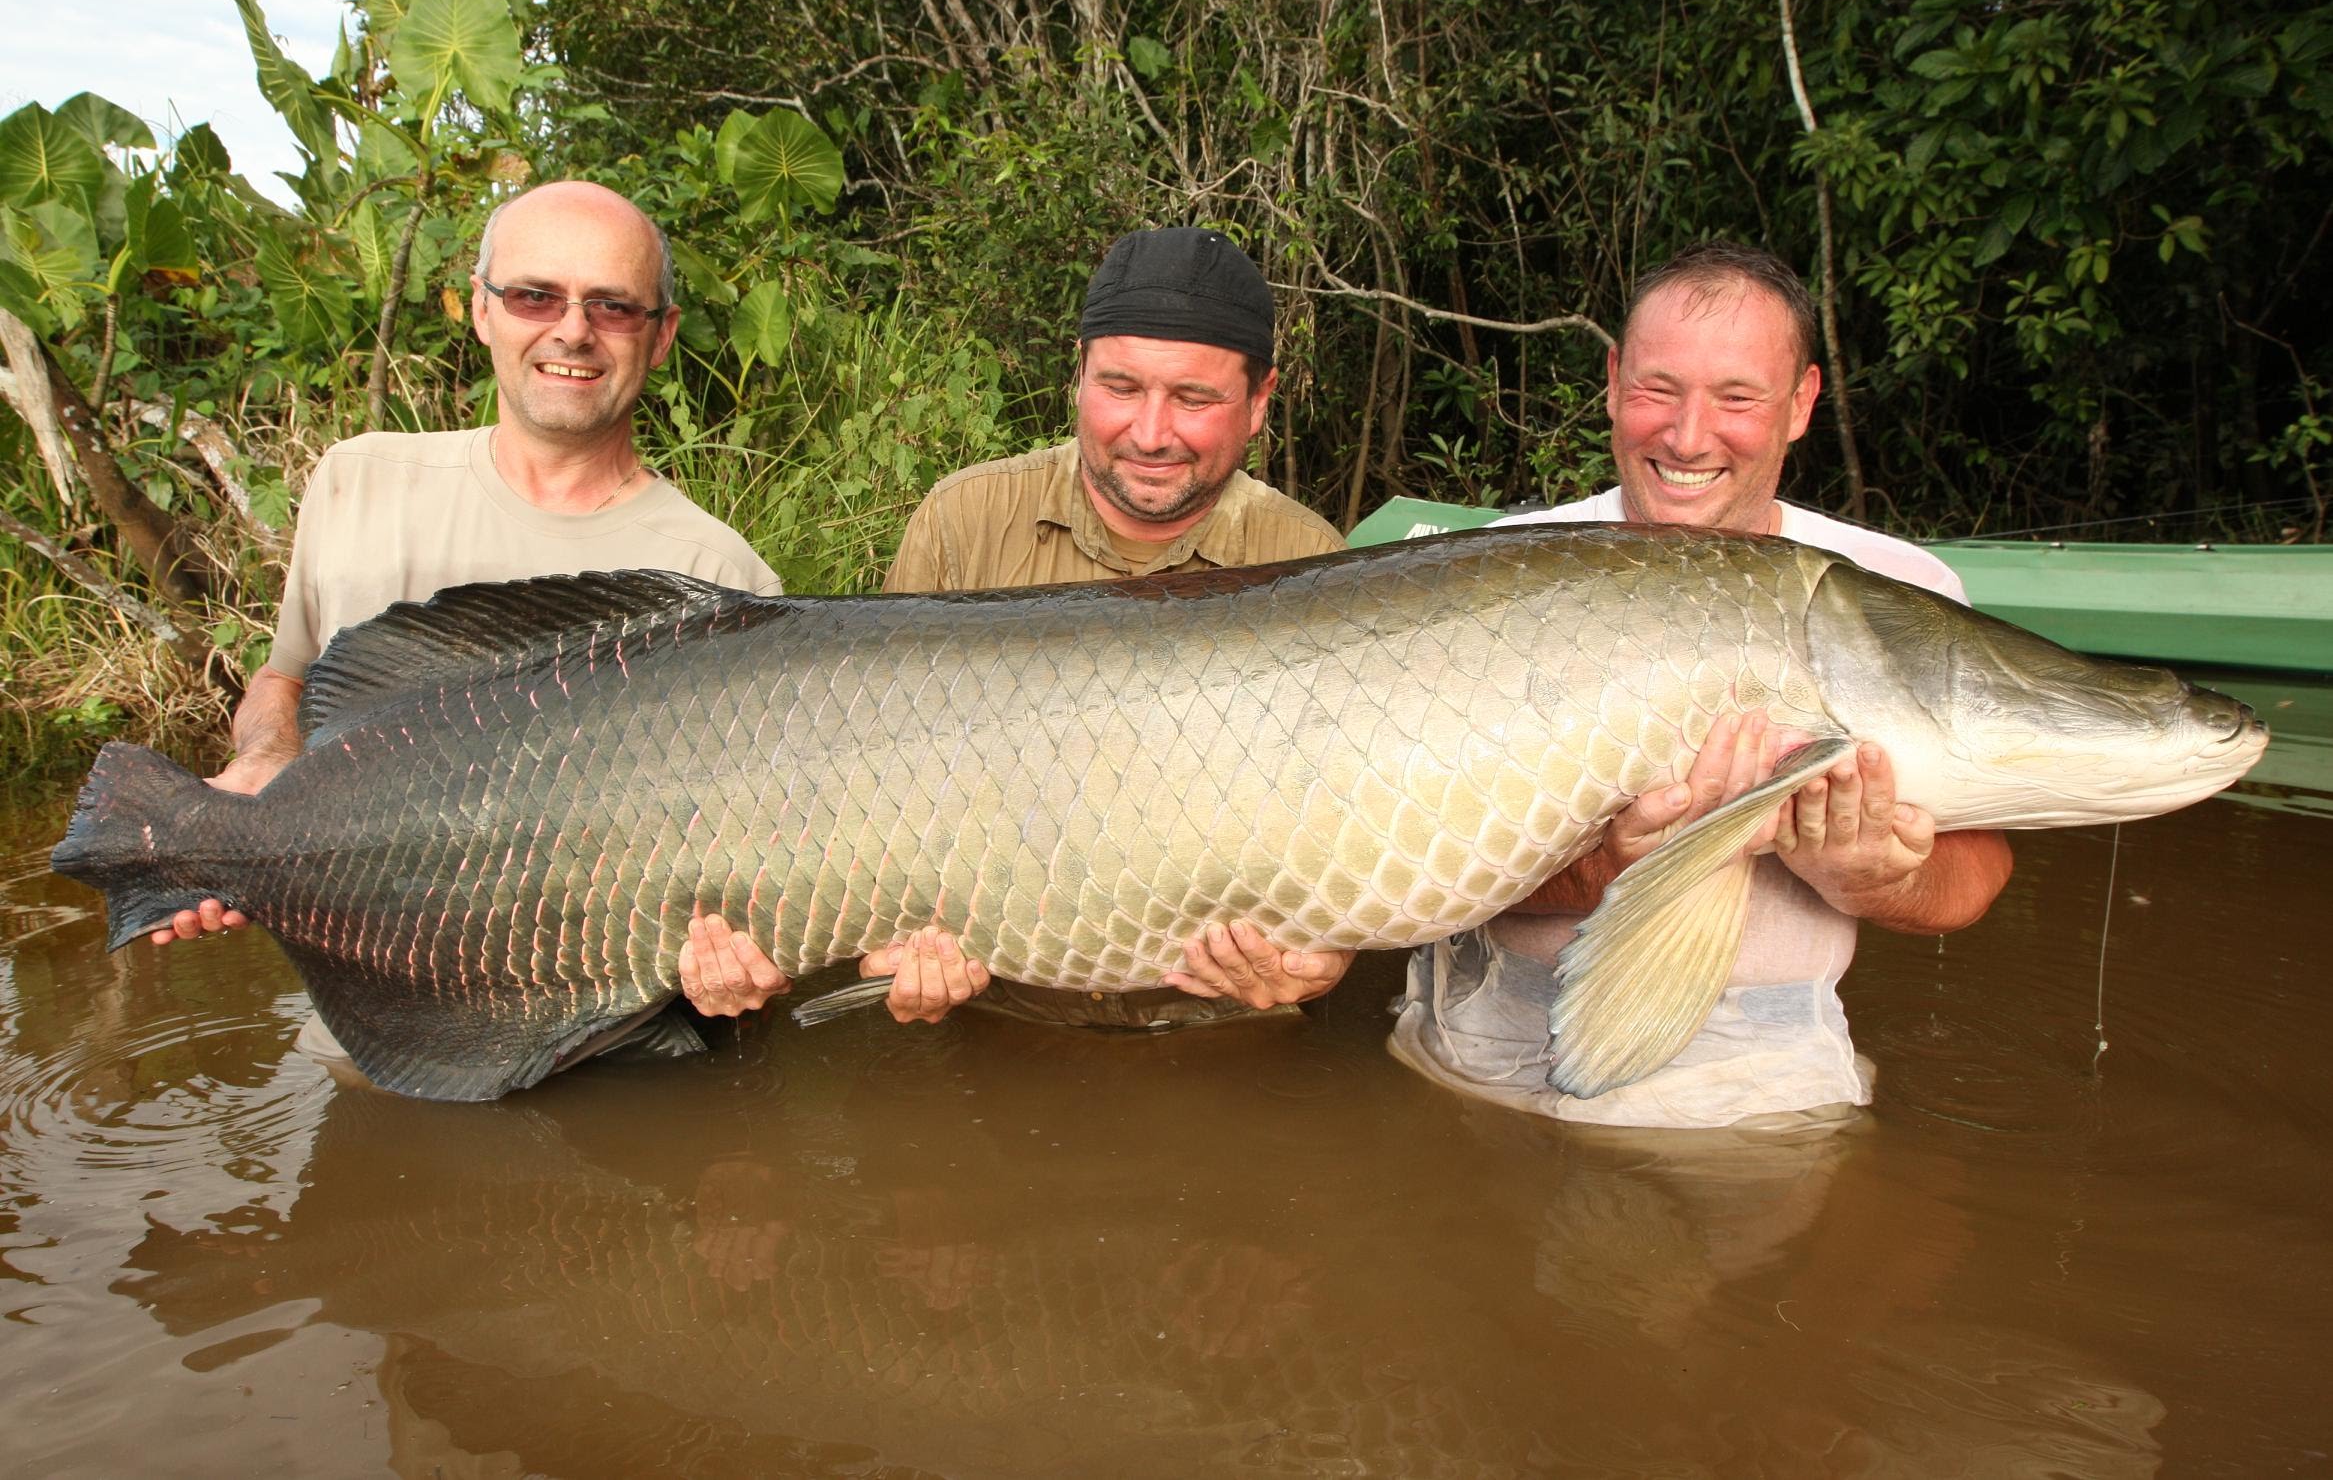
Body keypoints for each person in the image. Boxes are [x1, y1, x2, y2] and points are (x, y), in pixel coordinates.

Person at [1387, 240, 2016, 1129]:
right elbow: (1397, 862)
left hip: (1758, 1077)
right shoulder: (1491, 577)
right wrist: (1610, 861)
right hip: (1474, 1043)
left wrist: (1874, 878)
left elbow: (1973, 878)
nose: (1686, 438)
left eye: (1736, 398)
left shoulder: (1900, 592)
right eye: (1657, 390)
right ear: (1611, 381)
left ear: (1800, 402)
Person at [150, 180, 790, 1037]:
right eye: (536, 295)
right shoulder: (358, 480)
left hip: (608, 1049)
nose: (571, 330)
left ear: (661, 334)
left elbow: (758, 854)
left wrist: (752, 961)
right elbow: (286, 676)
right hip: (371, 1019)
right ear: (483, 310)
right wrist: (263, 770)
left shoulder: (722, 576)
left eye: (612, 306)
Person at [690, 226, 1358, 1030]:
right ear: (1076, 377)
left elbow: (1329, 826)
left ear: (1257, 403)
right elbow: (874, 778)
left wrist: (1318, 960)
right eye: (1119, 387)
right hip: (999, 1009)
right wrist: (884, 940)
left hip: (1212, 1016)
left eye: (1193, 398)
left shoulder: (1310, 561)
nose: (1149, 434)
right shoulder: (962, 520)